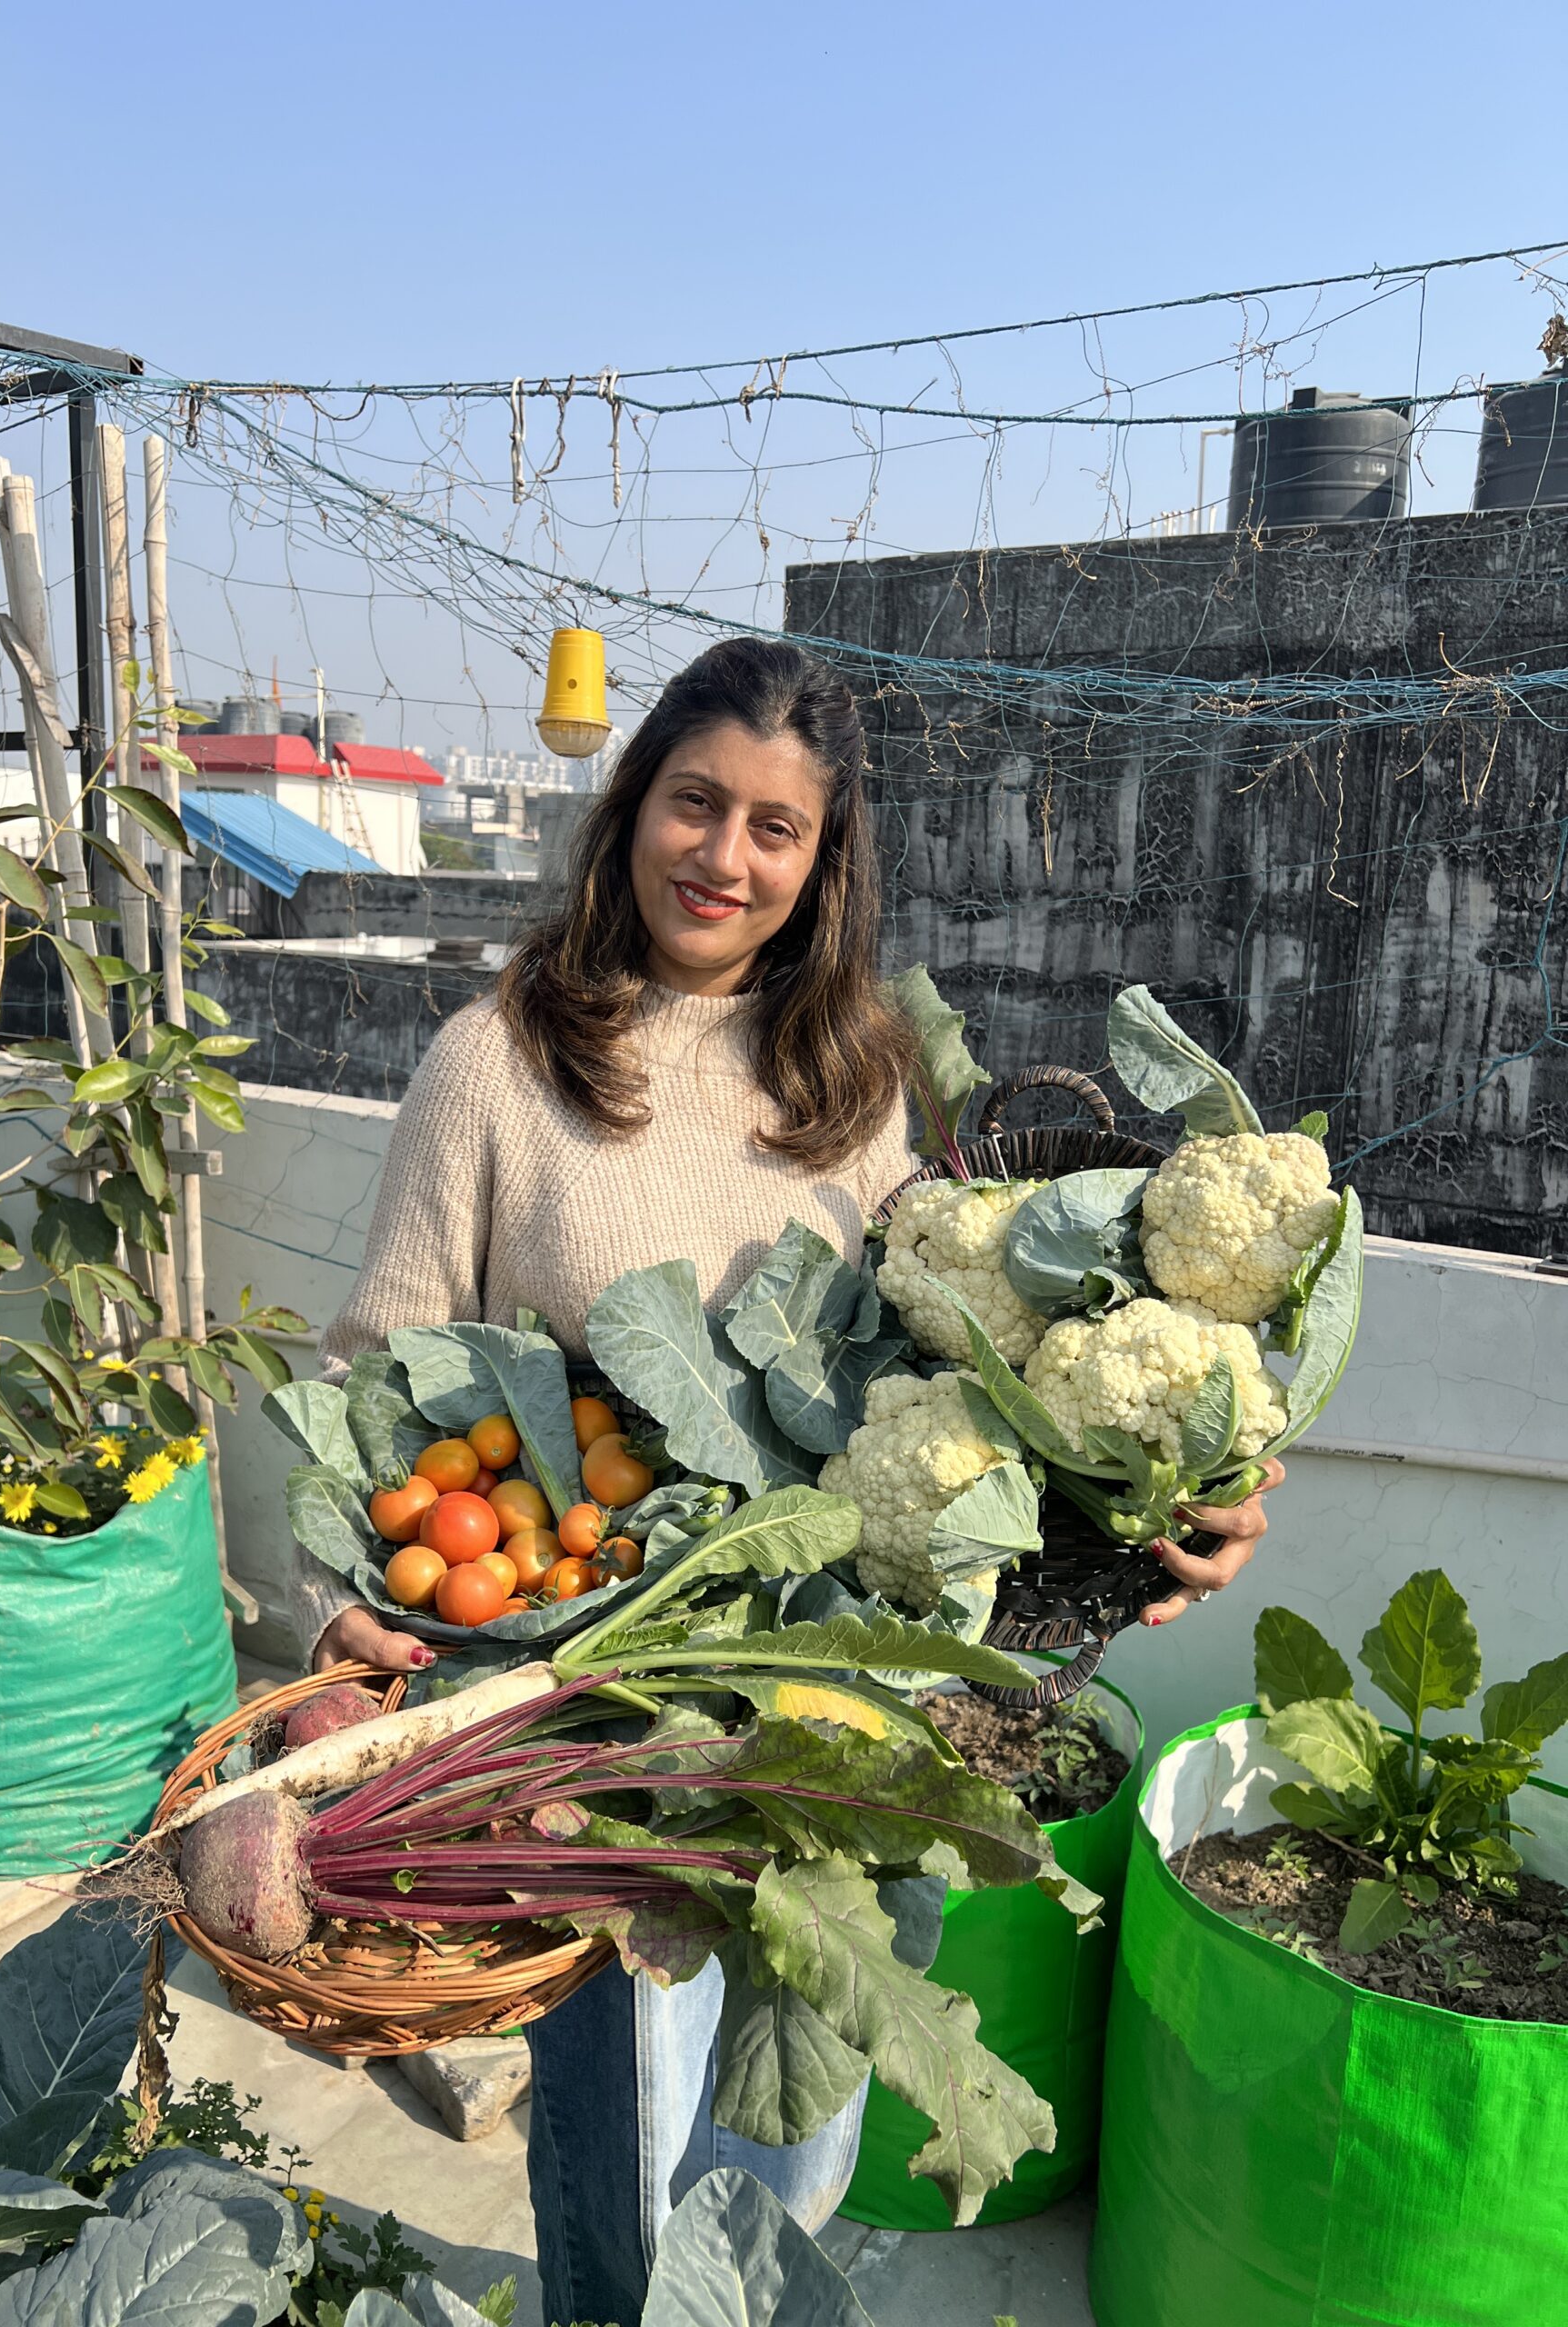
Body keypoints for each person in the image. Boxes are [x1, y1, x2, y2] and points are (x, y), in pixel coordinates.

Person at [293, 635, 1278, 2325]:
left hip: (829, 1681)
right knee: (623, 2131)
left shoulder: (864, 1076)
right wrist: (355, 1609)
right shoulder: (498, 1059)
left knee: (790, 2135)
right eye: (694, 804)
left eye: (774, 829)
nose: (723, 859)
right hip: (594, 1683)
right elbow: (379, 1370)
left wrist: (1155, 1515)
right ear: (631, 811)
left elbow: (949, 1379)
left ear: (824, 864)